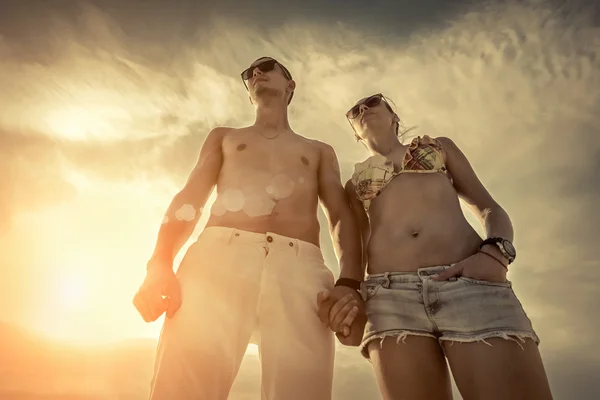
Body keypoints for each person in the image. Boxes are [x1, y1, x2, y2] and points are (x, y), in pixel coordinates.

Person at [132, 56, 363, 400]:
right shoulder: (225, 138)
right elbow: (189, 199)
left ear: (290, 86)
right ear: (249, 94)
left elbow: (341, 216)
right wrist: (159, 264)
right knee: (183, 388)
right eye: (249, 73)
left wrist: (349, 283)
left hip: (298, 269)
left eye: (267, 66)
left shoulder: (318, 151)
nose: (257, 72)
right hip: (217, 261)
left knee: (302, 390)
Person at [318, 93, 554, 399]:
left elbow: (488, 208)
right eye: (355, 110)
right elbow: (355, 247)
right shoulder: (355, 183)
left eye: (374, 102)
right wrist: (351, 294)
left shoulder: (438, 148)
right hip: (389, 298)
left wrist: (496, 253)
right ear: (355, 133)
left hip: (467, 284)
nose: (363, 109)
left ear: (394, 117)